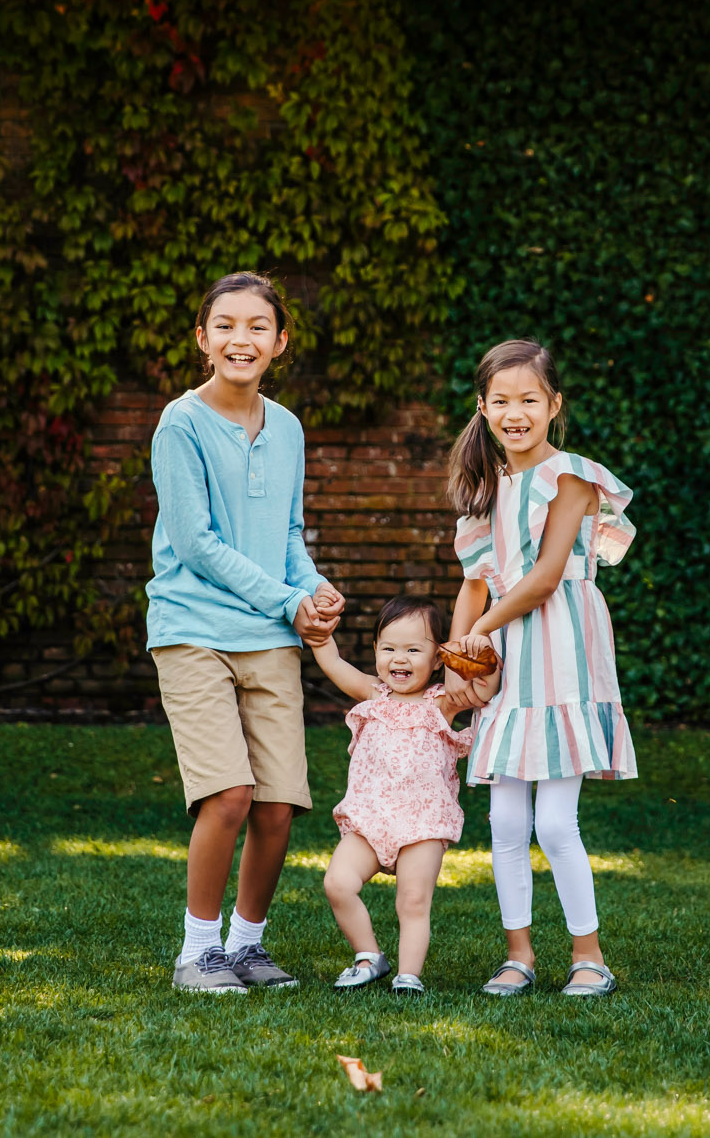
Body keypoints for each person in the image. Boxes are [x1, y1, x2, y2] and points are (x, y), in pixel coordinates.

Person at [147, 271, 345, 994]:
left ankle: (247, 946)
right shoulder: (181, 423)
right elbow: (196, 543)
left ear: (280, 341)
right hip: (192, 627)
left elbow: (287, 533)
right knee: (228, 793)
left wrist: (311, 586)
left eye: (258, 326)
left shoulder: (287, 427)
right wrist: (286, 598)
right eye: (225, 325)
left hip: (269, 631)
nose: (242, 338)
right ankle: (196, 953)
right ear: (203, 339)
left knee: (277, 802)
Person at [444, 338, 638, 998]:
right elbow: (477, 581)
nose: (515, 412)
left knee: (554, 822)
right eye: (502, 400)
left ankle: (590, 956)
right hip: (507, 660)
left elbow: (546, 576)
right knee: (503, 822)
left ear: (554, 404)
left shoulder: (574, 476)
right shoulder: (485, 489)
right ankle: (518, 954)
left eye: (529, 399)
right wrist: (453, 660)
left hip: (560, 651)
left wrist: (479, 631)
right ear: (484, 407)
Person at [306, 595, 490, 995]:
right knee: (338, 883)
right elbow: (335, 664)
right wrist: (321, 640)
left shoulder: (443, 701)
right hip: (370, 819)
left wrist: (477, 651)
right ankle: (369, 956)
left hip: (423, 822)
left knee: (412, 899)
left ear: (438, 657)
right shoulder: (374, 695)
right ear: (375, 651)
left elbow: (483, 687)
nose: (398, 659)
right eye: (388, 648)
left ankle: (409, 975)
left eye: (412, 649)